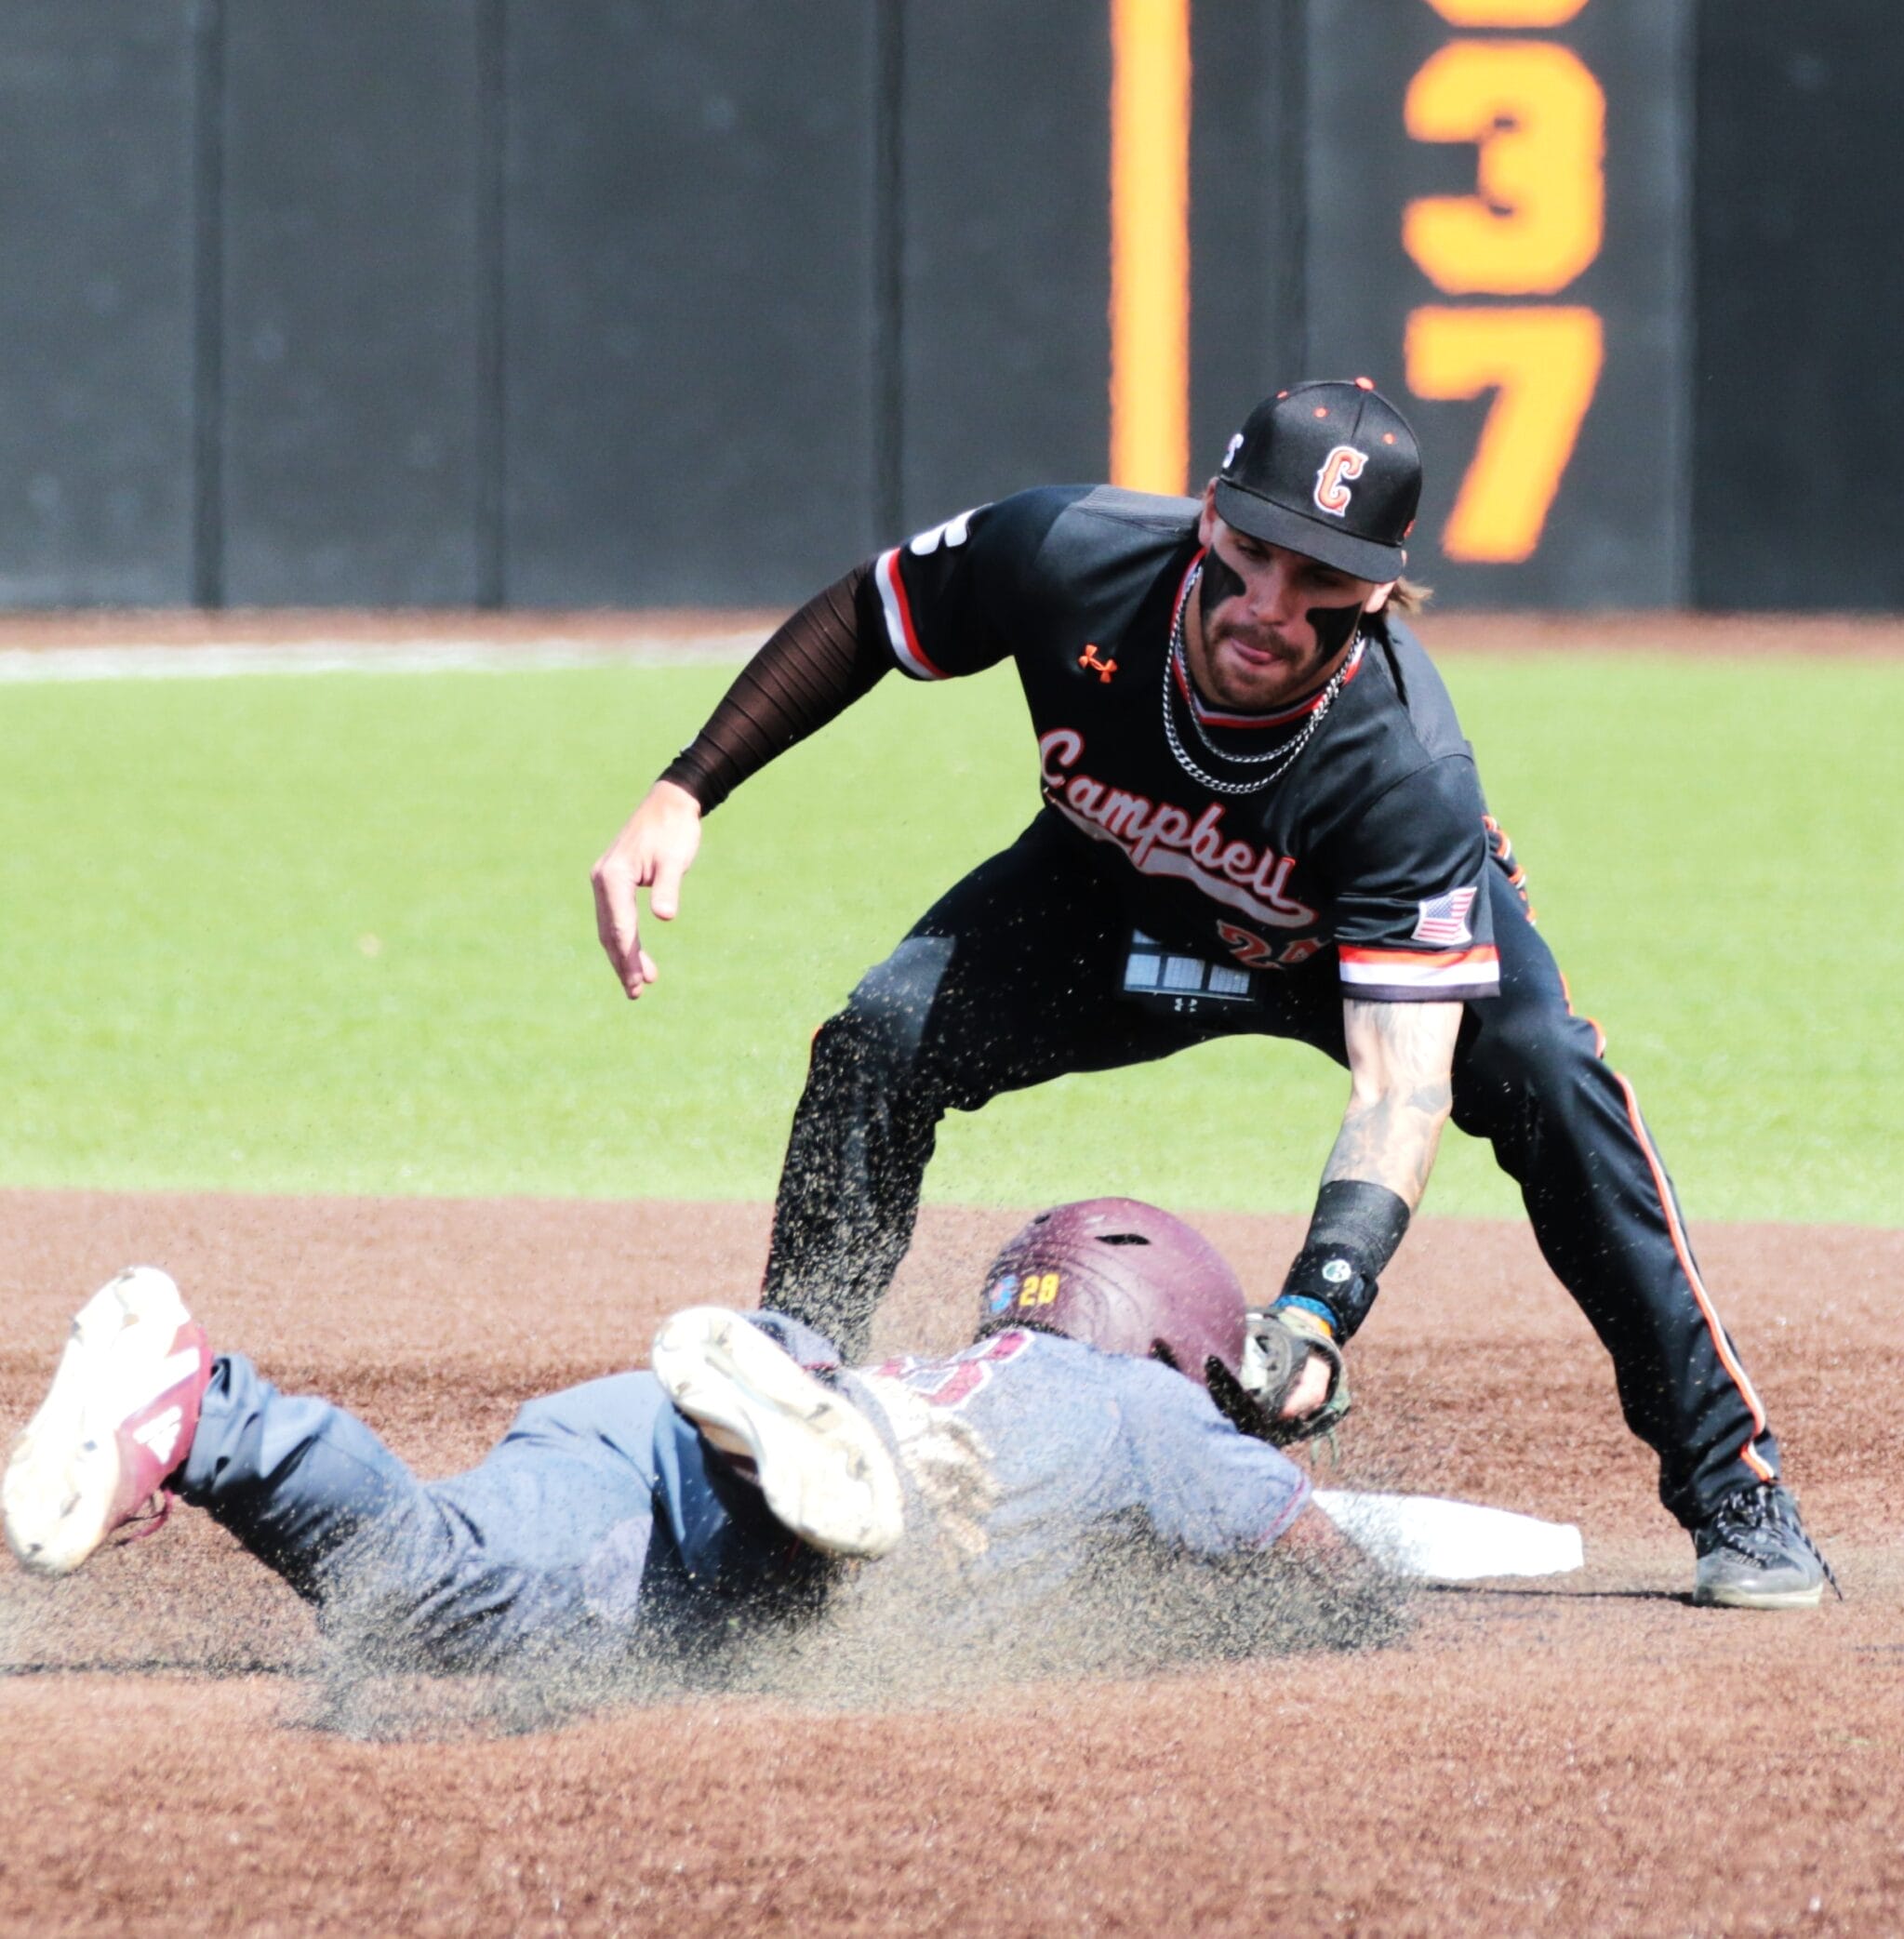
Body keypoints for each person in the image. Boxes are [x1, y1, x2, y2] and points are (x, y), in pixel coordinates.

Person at [591, 380, 1834, 1610]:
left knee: (1558, 1082)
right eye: (1251, 552)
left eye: (1323, 585)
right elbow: (875, 611)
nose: (1268, 605)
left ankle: (1734, 1485)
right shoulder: (1070, 552)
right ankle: (791, 1413)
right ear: (1208, 513)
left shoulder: (1406, 769)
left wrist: (1317, 1307)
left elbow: (1401, 1088)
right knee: (879, 1036)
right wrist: (687, 785)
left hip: (1342, 944)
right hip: (1107, 899)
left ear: (1384, 591)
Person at [2, 1202, 1350, 1669]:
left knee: (423, 1581)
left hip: (639, 1429)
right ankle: (807, 1462)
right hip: (777, 1517)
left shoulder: (988, 1364)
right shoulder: (1160, 1411)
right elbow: (1320, 1560)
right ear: (1180, 1329)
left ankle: (193, 1417)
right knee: (838, 1563)